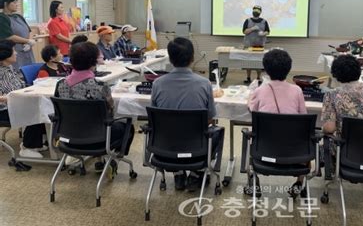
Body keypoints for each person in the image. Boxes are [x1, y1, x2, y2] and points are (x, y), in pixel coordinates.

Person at [150, 37, 224, 192]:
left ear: (170, 59)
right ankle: (197, 174)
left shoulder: (157, 83)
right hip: (197, 148)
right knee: (217, 131)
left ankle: (178, 173)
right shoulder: (204, 84)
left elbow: (155, 118)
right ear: (192, 58)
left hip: (165, 148)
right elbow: (210, 118)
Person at [54, 42, 135, 172]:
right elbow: (110, 112)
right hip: (98, 137)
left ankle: (98, 159)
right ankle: (112, 158)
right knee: (127, 127)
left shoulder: (61, 85)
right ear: (93, 62)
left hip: (68, 137)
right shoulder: (101, 86)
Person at [248, 49, 307, 197]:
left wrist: (250, 99)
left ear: (266, 70)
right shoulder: (297, 90)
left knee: (250, 136)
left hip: (265, 150)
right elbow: (303, 119)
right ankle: (299, 183)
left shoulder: (260, 91)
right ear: (289, 69)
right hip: (295, 152)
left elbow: (253, 112)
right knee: (306, 137)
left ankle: (254, 182)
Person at [0, 40, 46, 158]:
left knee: (41, 104)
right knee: (34, 110)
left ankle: (37, 141)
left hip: (14, 104)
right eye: (13, 51)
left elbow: (19, 87)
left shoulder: (9, 68)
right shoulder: (2, 72)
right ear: (5, 55)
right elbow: (12, 94)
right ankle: (28, 147)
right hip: (4, 109)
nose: (16, 53)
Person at [0, 0, 36, 69]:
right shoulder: (2, 18)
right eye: (14, 2)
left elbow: (29, 30)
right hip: (13, 52)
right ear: (6, 4)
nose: (17, 5)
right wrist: (27, 41)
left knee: (30, 71)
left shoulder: (19, 16)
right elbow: (9, 37)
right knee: (18, 73)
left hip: (27, 50)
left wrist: (29, 42)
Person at [242, 5, 270, 84]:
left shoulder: (264, 21)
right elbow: (244, 31)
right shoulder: (247, 20)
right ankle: (248, 77)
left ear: (260, 12)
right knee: (248, 61)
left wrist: (263, 33)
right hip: (249, 44)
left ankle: (258, 78)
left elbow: (268, 31)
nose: (256, 12)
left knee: (259, 61)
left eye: (258, 11)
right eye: (255, 10)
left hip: (259, 45)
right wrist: (252, 29)